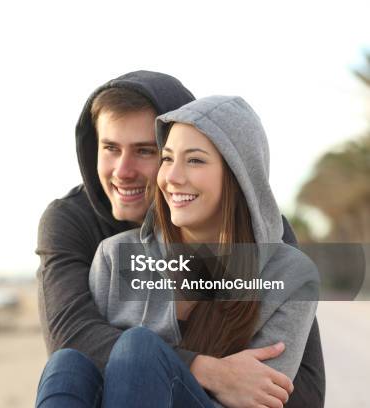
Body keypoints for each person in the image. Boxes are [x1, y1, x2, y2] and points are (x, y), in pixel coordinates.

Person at [35, 72, 325, 407]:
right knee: (66, 365)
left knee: (137, 349)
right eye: (111, 148)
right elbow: (71, 337)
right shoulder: (101, 245)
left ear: (237, 173)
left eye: (146, 151)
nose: (124, 170)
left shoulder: (275, 251)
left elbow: (300, 388)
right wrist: (207, 370)